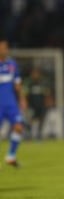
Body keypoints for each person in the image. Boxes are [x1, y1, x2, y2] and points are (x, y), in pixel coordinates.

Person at [0, 36, 27, 167]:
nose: (5, 50)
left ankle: (11, 156)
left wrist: (22, 98)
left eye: (6, 47)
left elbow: (17, 83)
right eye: (2, 47)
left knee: (19, 126)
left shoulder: (12, 64)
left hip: (10, 103)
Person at [24, 67, 51, 140]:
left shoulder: (43, 83)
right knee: (29, 120)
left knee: (41, 120)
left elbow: (47, 94)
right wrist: (25, 103)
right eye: (34, 73)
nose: (35, 75)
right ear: (31, 74)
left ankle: (39, 135)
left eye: (36, 73)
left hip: (41, 105)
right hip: (31, 105)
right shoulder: (28, 82)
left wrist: (47, 103)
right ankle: (28, 135)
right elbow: (25, 94)